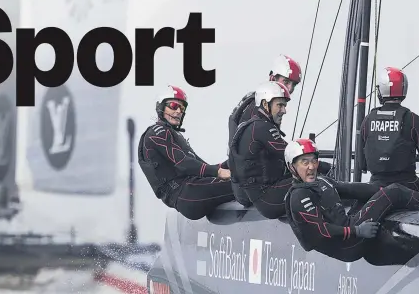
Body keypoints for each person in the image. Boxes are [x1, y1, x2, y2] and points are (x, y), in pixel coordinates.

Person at [283, 138, 419, 261]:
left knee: (380, 192)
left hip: (349, 225)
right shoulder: (299, 196)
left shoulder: (320, 180)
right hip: (347, 244)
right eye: (304, 162)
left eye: (314, 161)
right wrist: (357, 231)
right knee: (394, 192)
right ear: (292, 167)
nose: (311, 167)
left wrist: (378, 191)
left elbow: (348, 188)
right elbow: (320, 231)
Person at [228, 82, 332, 219]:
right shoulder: (262, 128)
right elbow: (291, 154)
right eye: (280, 105)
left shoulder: (252, 126)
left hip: (259, 196)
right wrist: (328, 167)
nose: (284, 110)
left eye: (285, 105)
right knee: (322, 182)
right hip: (267, 200)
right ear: (265, 105)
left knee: (310, 175)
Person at [137, 84, 234, 221]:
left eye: (182, 108)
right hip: (186, 194)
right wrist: (219, 172)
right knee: (247, 185)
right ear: (161, 107)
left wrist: (231, 164)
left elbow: (201, 166)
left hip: (191, 191)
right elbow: (183, 163)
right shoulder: (156, 133)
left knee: (241, 178)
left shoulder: (173, 135)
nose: (178, 111)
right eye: (173, 106)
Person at [227, 55, 303, 207]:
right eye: (286, 82)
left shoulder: (258, 105)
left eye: (293, 85)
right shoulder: (255, 111)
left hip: (250, 183)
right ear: (272, 78)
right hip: (252, 190)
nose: (289, 89)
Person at [357, 67, 419, 194]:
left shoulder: (367, 120)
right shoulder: (413, 119)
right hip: (408, 185)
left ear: (382, 89)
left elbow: (362, 165)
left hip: (376, 186)